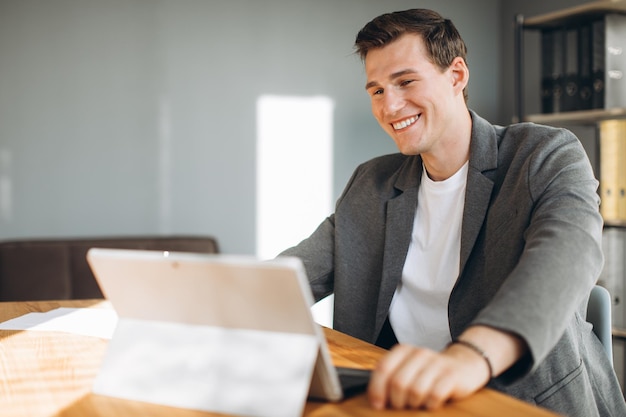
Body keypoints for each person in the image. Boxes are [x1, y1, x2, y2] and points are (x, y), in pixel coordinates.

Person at [280, 8, 626, 417]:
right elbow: (293, 276)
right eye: (376, 90)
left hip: (522, 402)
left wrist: (470, 356)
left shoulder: (543, 155)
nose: (389, 106)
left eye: (405, 81)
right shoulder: (372, 183)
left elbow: (566, 258)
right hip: (406, 400)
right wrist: (215, 302)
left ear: (457, 75)